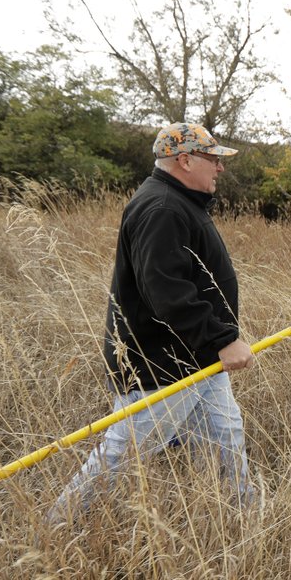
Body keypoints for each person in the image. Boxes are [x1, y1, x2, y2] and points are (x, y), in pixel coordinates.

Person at [50, 121, 257, 521]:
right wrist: (222, 337)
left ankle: (243, 519)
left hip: (198, 357)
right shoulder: (162, 209)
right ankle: (58, 528)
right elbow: (166, 292)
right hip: (163, 363)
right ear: (184, 160)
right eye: (212, 159)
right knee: (123, 453)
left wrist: (216, 341)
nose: (220, 168)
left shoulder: (179, 203)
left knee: (225, 436)